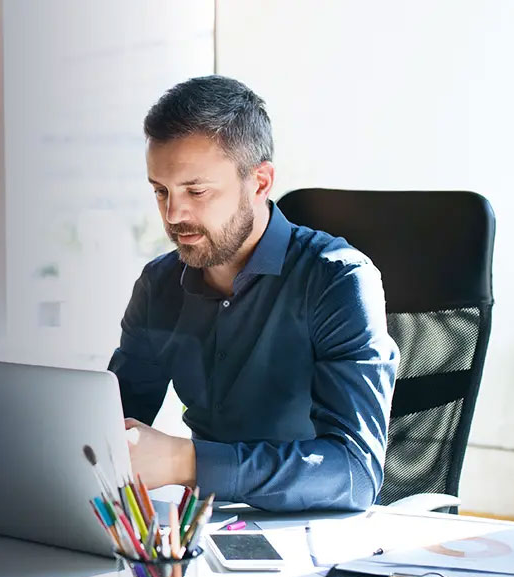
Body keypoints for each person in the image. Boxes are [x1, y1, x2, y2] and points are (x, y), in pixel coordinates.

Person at [108, 76, 399, 512]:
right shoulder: (159, 285)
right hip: (206, 531)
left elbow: (355, 473)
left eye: (196, 190)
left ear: (260, 182)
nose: (173, 214)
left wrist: (185, 461)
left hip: (318, 537)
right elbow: (110, 428)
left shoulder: (338, 280)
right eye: (161, 191)